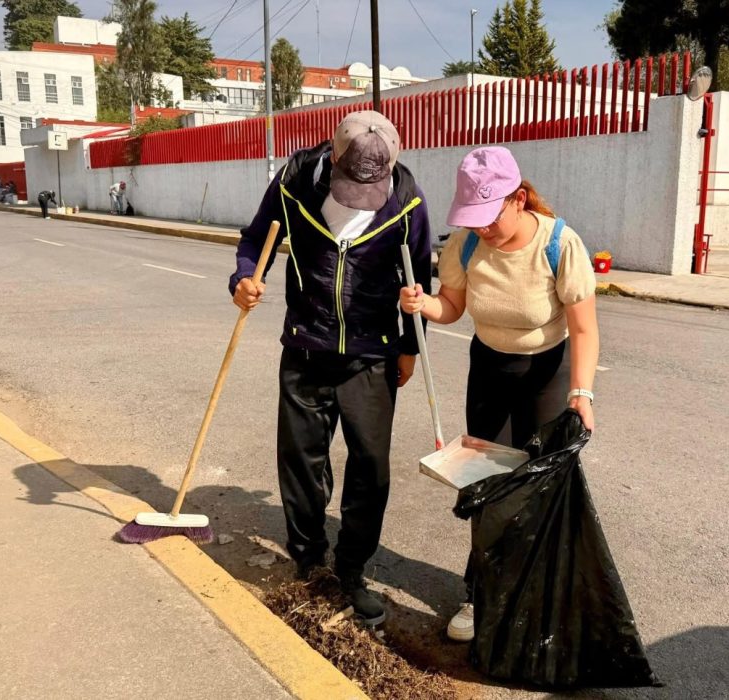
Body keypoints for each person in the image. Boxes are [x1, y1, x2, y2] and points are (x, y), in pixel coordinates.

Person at [230, 110, 432, 627]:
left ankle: (351, 571)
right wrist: (245, 277)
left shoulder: (406, 198)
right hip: (307, 343)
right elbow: (257, 239)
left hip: (372, 352)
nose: (362, 196)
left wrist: (410, 344)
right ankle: (309, 562)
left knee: (371, 468)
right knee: (300, 461)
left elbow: (417, 280)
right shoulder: (296, 180)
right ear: (333, 155)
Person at [398, 146, 600, 643]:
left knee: (538, 485)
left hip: (546, 373)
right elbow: (452, 309)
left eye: (491, 217)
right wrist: (424, 304)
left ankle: (535, 594)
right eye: (475, 219)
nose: (483, 228)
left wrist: (581, 392)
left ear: (520, 199)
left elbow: (584, 329)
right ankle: (480, 591)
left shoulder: (559, 244)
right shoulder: (465, 246)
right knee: (486, 485)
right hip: (489, 368)